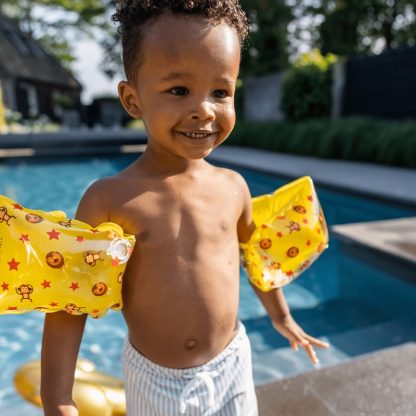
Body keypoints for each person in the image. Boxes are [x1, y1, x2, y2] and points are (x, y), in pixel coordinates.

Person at [40, 1, 329, 415]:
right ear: (132, 99)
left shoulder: (233, 187)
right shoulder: (109, 199)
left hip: (232, 360)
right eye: (179, 90)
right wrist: (58, 399)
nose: (204, 109)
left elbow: (257, 258)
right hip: (157, 380)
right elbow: (71, 302)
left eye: (220, 92)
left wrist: (282, 318)